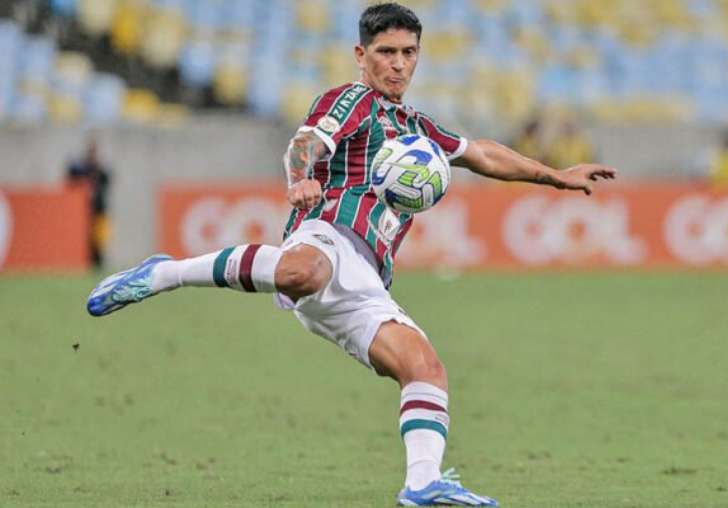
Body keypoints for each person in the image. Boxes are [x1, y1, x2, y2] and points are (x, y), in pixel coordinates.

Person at [86, 3, 616, 505]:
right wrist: (299, 181)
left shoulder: (417, 127)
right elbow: (305, 145)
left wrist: (554, 176)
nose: (399, 63)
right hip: (326, 234)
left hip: (367, 276)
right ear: (362, 55)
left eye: (409, 52)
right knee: (302, 270)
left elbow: (479, 153)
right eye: (387, 52)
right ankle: (166, 274)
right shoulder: (351, 100)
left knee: (424, 366)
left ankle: (423, 483)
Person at [66, 136, 111, 269]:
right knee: (88, 240)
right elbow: (72, 174)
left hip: (99, 210)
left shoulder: (100, 169)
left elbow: (107, 179)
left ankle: (99, 264)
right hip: (85, 212)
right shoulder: (83, 168)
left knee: (99, 240)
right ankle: (89, 263)